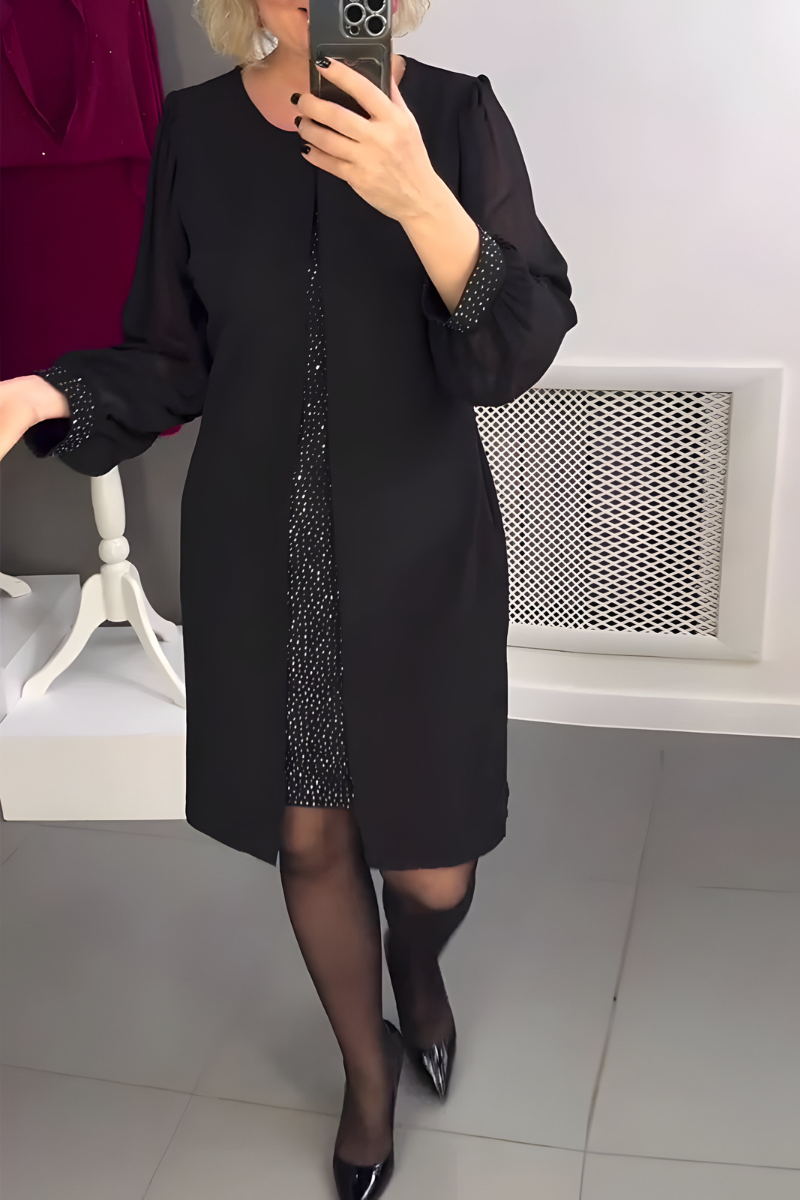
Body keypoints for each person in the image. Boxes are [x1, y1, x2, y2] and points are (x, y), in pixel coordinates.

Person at [0, 1, 577, 1195]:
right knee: (309, 834)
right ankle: (365, 1077)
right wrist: (41, 395)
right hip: (264, 553)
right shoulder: (197, 131)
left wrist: (417, 195)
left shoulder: (452, 115)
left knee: (432, 869)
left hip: (417, 545)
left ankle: (417, 965)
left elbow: (515, 351)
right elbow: (173, 355)